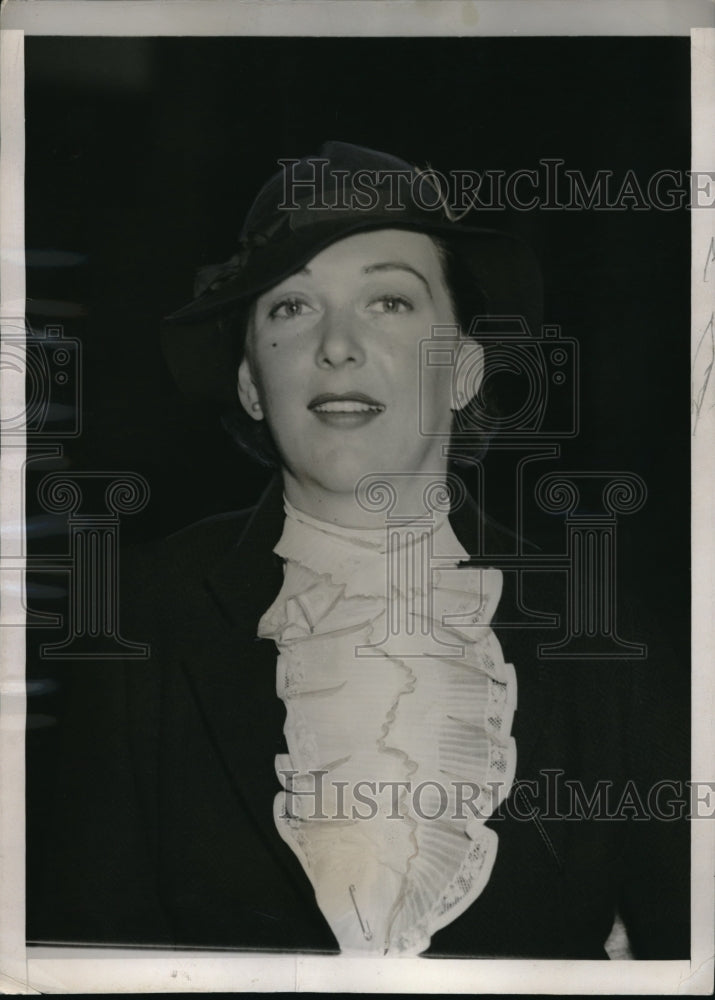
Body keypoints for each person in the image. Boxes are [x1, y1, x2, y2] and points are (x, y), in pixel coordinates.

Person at [31, 142, 689, 958]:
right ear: (248, 382)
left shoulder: (605, 632)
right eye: (290, 308)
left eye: (388, 302)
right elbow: (85, 954)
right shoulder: (139, 617)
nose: (336, 346)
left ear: (463, 370)